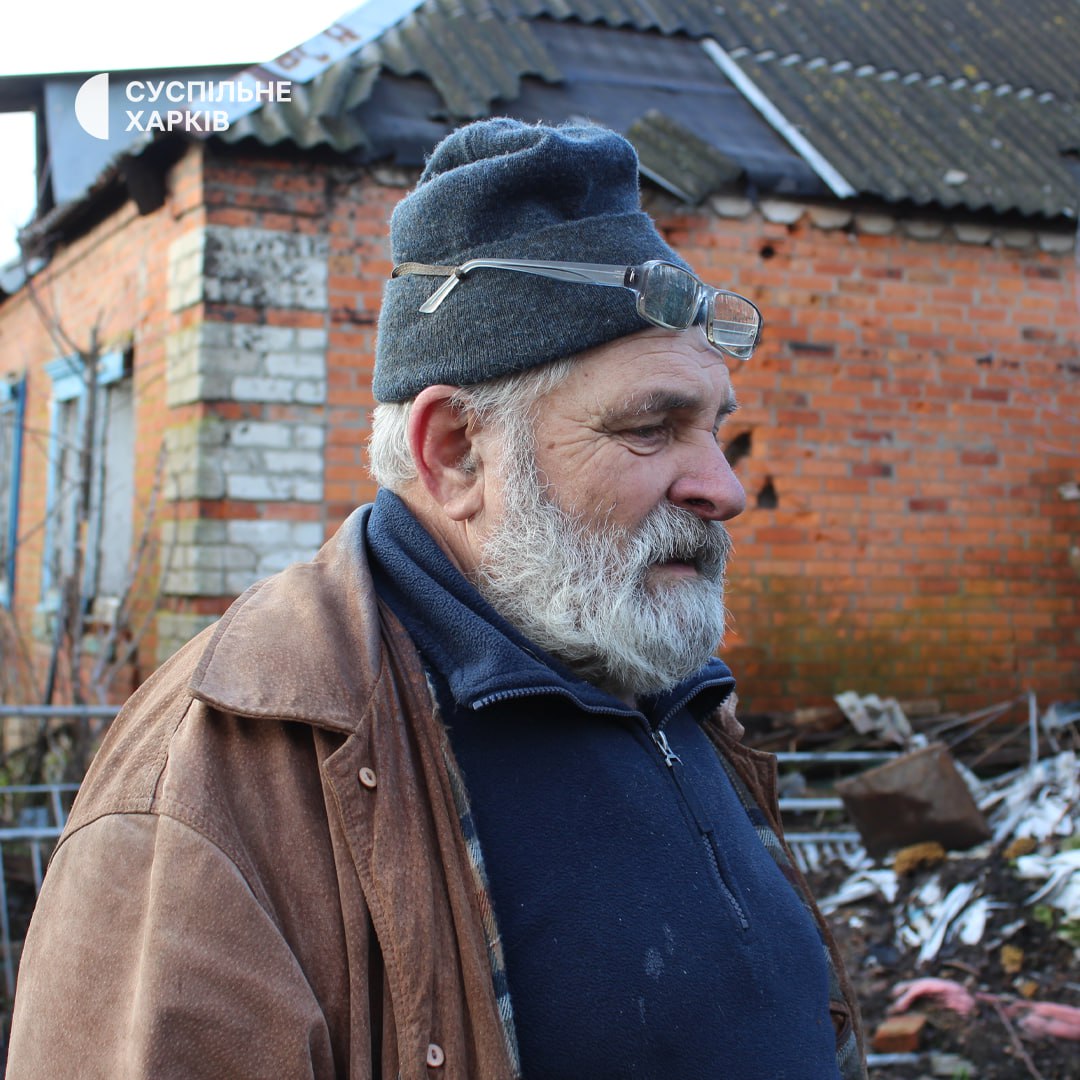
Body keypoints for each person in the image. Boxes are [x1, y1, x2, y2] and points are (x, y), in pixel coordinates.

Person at [7, 118, 865, 1079]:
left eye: (713, 428)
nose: (724, 488)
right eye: (650, 428)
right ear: (454, 452)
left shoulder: (657, 674)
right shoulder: (225, 778)